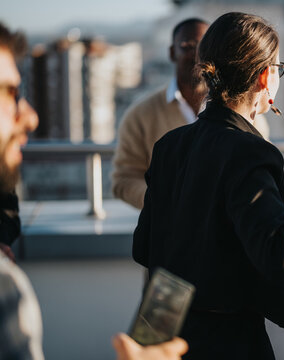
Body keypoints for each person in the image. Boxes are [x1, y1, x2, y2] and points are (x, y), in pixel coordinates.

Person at [132, 12, 284, 360]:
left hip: (161, 332)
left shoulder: (168, 145)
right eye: (278, 69)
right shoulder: (250, 152)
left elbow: (143, 247)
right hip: (226, 342)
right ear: (265, 77)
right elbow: (278, 251)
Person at [0, 22, 187, 360]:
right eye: (10, 92)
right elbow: (122, 178)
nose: (30, 117)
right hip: (167, 262)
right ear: (172, 52)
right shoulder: (4, 292)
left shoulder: (246, 120)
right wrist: (170, 204)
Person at [112, 18, 209, 209]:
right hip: (167, 234)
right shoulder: (140, 115)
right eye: (188, 46)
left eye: (204, 47)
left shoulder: (240, 113)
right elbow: (123, 179)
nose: (197, 55)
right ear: (172, 53)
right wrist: (166, 205)